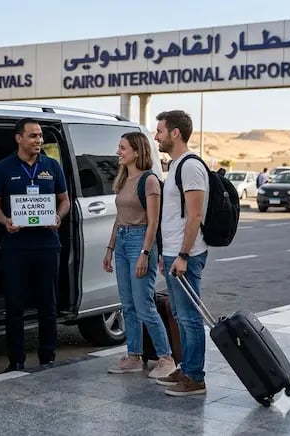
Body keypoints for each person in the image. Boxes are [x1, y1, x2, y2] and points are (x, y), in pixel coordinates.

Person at [0, 118, 70, 372]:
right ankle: (16, 361)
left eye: (40, 136)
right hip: (16, 245)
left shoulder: (52, 166)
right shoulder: (3, 168)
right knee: (15, 305)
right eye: (33, 136)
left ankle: (48, 357)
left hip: (47, 244)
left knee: (48, 304)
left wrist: (58, 216)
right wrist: (6, 221)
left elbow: (64, 200)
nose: (39, 140)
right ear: (19, 139)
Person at [102, 132, 176, 379]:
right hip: (123, 240)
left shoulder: (150, 181)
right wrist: (110, 248)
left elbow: (154, 222)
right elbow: (119, 217)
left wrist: (145, 253)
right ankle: (134, 355)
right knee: (128, 305)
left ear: (137, 151)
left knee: (144, 304)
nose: (118, 152)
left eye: (122, 147)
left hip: (140, 240)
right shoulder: (123, 179)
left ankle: (166, 358)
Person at [154, 110, 209, 397]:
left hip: (187, 254)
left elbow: (195, 214)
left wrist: (184, 255)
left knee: (189, 317)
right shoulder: (175, 165)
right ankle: (186, 368)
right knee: (179, 313)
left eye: (160, 131)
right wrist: (167, 255)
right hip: (173, 253)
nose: (156, 136)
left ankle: (196, 377)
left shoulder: (190, 166)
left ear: (175, 133)